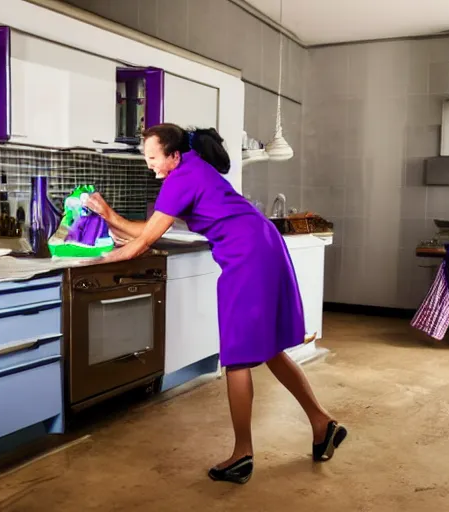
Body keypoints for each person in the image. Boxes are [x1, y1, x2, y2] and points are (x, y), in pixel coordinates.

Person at [85, 123, 347, 484]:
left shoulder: (179, 179)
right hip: (262, 246)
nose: (149, 165)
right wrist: (111, 218)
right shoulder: (190, 166)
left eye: (152, 158)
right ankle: (322, 423)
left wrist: (96, 264)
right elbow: (148, 230)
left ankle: (242, 455)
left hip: (246, 257)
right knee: (267, 348)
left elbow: (143, 242)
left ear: (173, 155)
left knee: (237, 358)